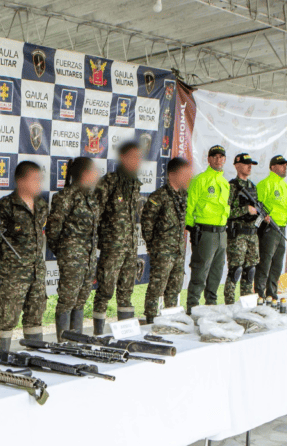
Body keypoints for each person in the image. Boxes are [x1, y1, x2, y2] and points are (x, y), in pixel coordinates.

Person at [0, 161, 49, 350]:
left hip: (37, 272)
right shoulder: (4, 207)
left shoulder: (41, 205)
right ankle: (3, 357)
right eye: (35, 179)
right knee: (7, 319)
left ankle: (35, 355)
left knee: (35, 317)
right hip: (14, 275)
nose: (39, 183)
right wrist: (9, 261)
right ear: (21, 181)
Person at [46, 157, 101, 340]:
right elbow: (53, 231)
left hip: (89, 258)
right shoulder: (65, 197)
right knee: (67, 301)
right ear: (85, 174)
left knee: (81, 300)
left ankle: (76, 342)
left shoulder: (92, 198)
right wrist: (65, 253)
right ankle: (63, 343)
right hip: (72, 259)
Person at [92, 142, 142, 335]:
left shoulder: (134, 183)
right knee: (105, 290)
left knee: (127, 291)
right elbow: (95, 212)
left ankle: (125, 334)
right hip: (112, 246)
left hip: (130, 246)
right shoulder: (109, 181)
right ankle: (98, 334)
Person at [141, 157, 193, 322]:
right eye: (184, 174)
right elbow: (147, 223)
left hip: (178, 249)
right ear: (172, 175)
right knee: (157, 287)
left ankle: (170, 319)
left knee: (174, 287)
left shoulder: (184, 196)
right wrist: (154, 246)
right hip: (162, 251)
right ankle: (150, 320)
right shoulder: (159, 196)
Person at [185, 145, 230, 311]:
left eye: (221, 157)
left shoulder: (225, 183)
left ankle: (211, 306)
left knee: (217, 272)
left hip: (221, 233)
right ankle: (192, 307)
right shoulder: (200, 180)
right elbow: (189, 206)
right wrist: (191, 228)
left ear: (224, 160)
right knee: (200, 271)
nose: (218, 160)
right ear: (209, 159)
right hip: (205, 233)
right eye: (215, 157)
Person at [255, 154, 287, 299]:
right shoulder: (265, 184)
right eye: (282, 164)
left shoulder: (283, 185)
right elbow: (257, 206)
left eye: (286, 165)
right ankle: (259, 295)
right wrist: (264, 219)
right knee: (265, 262)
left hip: (282, 228)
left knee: (277, 264)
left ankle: (272, 295)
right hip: (269, 229)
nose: (285, 167)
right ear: (273, 167)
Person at [224, 153, 260, 305]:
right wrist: (245, 210)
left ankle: (247, 303)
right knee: (235, 271)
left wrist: (261, 215)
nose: (249, 166)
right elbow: (226, 212)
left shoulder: (252, 186)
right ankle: (230, 304)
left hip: (252, 234)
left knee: (250, 271)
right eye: (246, 164)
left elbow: (256, 209)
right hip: (237, 235)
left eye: (251, 164)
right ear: (237, 166)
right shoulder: (231, 186)